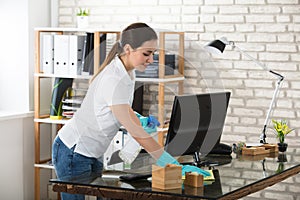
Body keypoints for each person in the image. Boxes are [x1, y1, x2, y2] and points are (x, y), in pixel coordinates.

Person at [52, 22, 209, 200]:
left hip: (93, 151)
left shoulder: (128, 72)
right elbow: (136, 133)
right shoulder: (113, 78)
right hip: (73, 149)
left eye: (153, 54)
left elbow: (115, 108)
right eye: (146, 54)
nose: (151, 60)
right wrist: (171, 163)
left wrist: (138, 118)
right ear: (128, 49)